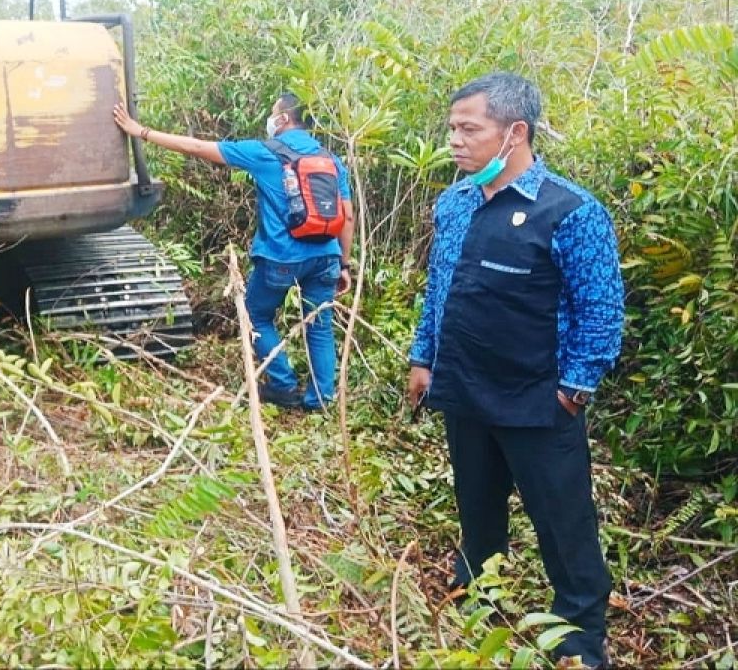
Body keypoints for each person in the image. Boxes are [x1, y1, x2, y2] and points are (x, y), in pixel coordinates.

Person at [406, 72, 624, 668]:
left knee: (563, 521)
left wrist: (572, 393)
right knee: (476, 504)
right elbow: (440, 290)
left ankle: (578, 635)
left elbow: (601, 312)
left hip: (538, 401)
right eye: (452, 127)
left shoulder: (571, 212)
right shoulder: (453, 204)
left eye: (468, 128)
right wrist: (423, 357)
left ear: (515, 133)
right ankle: (479, 591)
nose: (454, 139)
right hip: (465, 390)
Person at [113, 94, 355, 410]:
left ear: (282, 120)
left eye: (273, 113)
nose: (270, 120)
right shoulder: (332, 160)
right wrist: (344, 264)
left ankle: (282, 384)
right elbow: (347, 215)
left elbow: (197, 147)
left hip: (282, 256)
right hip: (325, 256)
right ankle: (321, 400)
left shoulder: (265, 153)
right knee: (319, 325)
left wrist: (140, 131)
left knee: (255, 315)